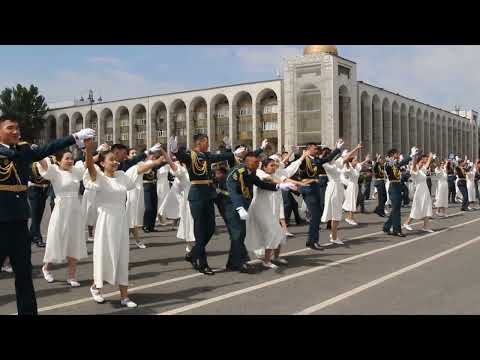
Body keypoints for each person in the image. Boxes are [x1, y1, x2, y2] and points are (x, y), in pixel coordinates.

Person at [0, 113, 95, 315]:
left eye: (17, 128)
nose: (16, 131)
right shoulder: (14, 152)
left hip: (18, 220)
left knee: (25, 275)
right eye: (10, 128)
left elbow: (48, 148)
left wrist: (74, 137)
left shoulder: (23, 149)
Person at [83, 139, 166, 307]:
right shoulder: (98, 177)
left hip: (121, 220)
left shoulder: (122, 176)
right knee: (104, 256)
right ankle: (96, 288)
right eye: (111, 160)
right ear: (102, 163)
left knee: (122, 257)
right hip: (105, 221)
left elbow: (138, 169)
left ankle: (124, 296)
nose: (114, 162)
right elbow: (90, 166)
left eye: (116, 159)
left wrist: (155, 160)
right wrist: (88, 149)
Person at [173, 134, 236, 275]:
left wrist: (228, 148)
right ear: (199, 142)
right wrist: (175, 150)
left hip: (208, 193)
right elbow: (182, 157)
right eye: (206, 142)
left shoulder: (206, 155)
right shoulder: (191, 155)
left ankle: (192, 254)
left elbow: (224, 157)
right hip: (197, 194)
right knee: (200, 230)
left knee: (211, 227)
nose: (208, 145)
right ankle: (203, 264)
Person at [226, 152, 295, 273]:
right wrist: (239, 207)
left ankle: (235, 262)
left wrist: (278, 187)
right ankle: (241, 262)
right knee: (238, 235)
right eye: (255, 163)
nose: (257, 164)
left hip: (250, 206)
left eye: (258, 162)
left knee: (240, 235)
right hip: (233, 205)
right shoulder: (240, 171)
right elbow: (232, 189)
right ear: (247, 162)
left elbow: (260, 184)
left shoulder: (251, 172)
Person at [36, 150, 88, 286]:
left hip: (75, 210)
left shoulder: (76, 171)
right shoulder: (55, 172)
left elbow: (89, 163)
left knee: (74, 240)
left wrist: (88, 149)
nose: (70, 161)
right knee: (56, 238)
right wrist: (36, 153)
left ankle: (71, 276)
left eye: (71, 158)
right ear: (59, 161)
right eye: (67, 158)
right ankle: (46, 268)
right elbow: (43, 164)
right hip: (61, 209)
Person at [245, 157, 302, 269]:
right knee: (272, 232)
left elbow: (285, 179)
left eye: (275, 165)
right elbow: (268, 180)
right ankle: (266, 261)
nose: (274, 167)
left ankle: (276, 257)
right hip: (260, 209)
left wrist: (296, 184)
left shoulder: (276, 175)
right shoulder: (259, 173)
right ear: (264, 166)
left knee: (279, 233)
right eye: (271, 165)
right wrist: (281, 184)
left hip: (272, 210)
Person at [297, 141, 343, 250]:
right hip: (308, 188)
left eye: (317, 149)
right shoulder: (304, 160)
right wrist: (301, 155)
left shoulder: (316, 160)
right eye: (314, 148)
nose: (317, 150)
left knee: (317, 215)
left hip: (315, 188)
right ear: (308, 150)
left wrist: (337, 149)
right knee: (316, 215)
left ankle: (311, 240)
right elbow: (296, 165)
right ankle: (313, 241)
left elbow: (327, 159)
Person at [321, 143, 362, 244]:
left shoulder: (335, 162)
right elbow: (341, 162)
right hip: (333, 188)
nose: (333, 156)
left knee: (337, 213)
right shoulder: (326, 165)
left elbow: (346, 157)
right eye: (330, 155)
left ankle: (333, 235)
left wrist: (356, 148)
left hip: (338, 187)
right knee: (336, 214)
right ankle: (334, 237)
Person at [382, 147, 414, 237]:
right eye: (397, 154)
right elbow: (397, 164)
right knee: (397, 211)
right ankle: (397, 230)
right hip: (393, 188)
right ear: (392, 155)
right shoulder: (388, 163)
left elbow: (400, 173)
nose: (398, 155)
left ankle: (387, 227)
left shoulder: (395, 164)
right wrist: (410, 156)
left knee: (395, 210)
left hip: (398, 187)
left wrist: (407, 174)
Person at [403, 153, 434, 232]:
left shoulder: (422, 170)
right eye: (421, 162)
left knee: (427, 207)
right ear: (417, 162)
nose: (423, 164)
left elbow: (427, 163)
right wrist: (414, 157)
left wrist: (430, 157)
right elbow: (413, 166)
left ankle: (426, 226)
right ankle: (407, 223)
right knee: (417, 207)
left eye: (423, 163)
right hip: (419, 191)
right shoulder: (414, 170)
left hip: (425, 190)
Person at [27, 153, 51, 248]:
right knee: (35, 215)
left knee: (39, 215)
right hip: (34, 189)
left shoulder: (47, 160)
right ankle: (37, 238)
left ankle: (31, 236)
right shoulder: (31, 162)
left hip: (43, 189)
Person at [343, 154, 370, 225]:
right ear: (351, 162)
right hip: (351, 186)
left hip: (355, 186)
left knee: (353, 201)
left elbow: (359, 164)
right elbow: (347, 164)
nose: (356, 161)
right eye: (355, 160)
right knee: (351, 202)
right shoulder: (349, 168)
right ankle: (350, 218)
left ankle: (350, 217)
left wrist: (366, 160)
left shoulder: (356, 167)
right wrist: (346, 159)